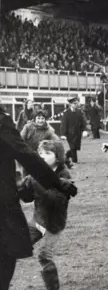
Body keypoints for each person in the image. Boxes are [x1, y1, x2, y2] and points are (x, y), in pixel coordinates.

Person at [0, 104, 77, 290]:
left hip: (51, 223)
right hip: (7, 203)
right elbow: (25, 155)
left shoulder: (62, 171)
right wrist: (55, 183)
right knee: (5, 251)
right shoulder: (2, 121)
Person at [17, 140, 72, 290]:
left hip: (54, 224)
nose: (42, 156)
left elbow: (57, 199)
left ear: (58, 157)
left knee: (44, 256)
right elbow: (28, 198)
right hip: (38, 219)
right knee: (16, 245)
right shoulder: (35, 173)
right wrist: (21, 185)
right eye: (40, 153)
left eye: (47, 153)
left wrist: (35, 182)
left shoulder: (63, 174)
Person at [60, 97, 86, 165]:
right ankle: (75, 161)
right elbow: (64, 124)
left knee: (76, 147)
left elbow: (83, 122)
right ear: (70, 104)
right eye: (74, 103)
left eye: (77, 103)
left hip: (78, 133)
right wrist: (63, 134)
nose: (76, 105)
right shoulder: (66, 113)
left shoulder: (79, 112)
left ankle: (67, 155)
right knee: (73, 147)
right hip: (70, 134)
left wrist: (84, 130)